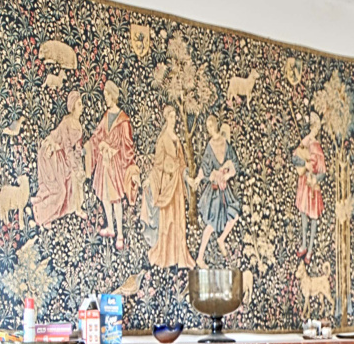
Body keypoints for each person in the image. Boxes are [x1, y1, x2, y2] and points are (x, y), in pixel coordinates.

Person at [85, 79, 139, 247]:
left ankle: (120, 234)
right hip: (104, 163)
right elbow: (98, 135)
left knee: (115, 199)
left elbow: (127, 145)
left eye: (107, 96)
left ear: (113, 96)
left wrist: (129, 165)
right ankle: (110, 227)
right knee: (105, 197)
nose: (105, 99)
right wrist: (90, 146)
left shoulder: (123, 120)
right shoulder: (106, 116)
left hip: (115, 164)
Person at [145, 106, 193, 268]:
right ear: (166, 118)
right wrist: (150, 180)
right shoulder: (163, 139)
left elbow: (182, 163)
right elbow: (158, 165)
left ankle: (179, 257)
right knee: (168, 220)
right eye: (171, 117)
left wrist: (186, 177)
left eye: (174, 116)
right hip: (167, 183)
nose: (174, 119)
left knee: (179, 220)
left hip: (177, 183)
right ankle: (166, 256)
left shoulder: (176, 139)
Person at [31, 88, 85, 227]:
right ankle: (41, 215)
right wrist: (75, 166)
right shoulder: (66, 122)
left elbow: (77, 148)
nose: (82, 107)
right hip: (51, 154)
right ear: (73, 106)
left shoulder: (79, 126)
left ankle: (73, 209)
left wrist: (79, 166)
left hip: (61, 157)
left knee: (70, 184)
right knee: (59, 190)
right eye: (79, 104)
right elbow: (67, 147)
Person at [196, 113, 241, 266]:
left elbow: (234, 162)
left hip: (224, 189)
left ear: (216, 124)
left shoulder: (225, 142)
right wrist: (205, 177)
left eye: (211, 125)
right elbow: (205, 167)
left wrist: (227, 174)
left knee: (234, 216)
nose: (210, 128)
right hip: (215, 192)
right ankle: (200, 257)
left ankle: (221, 239)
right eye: (207, 126)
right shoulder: (209, 146)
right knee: (211, 225)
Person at [291, 109, 326, 259]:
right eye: (313, 127)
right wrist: (305, 164)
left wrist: (315, 179)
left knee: (313, 218)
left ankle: (310, 249)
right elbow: (295, 158)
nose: (314, 130)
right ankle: (304, 245)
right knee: (303, 215)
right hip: (304, 184)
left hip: (312, 186)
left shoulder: (318, 147)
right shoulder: (305, 142)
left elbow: (323, 172)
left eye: (316, 127)